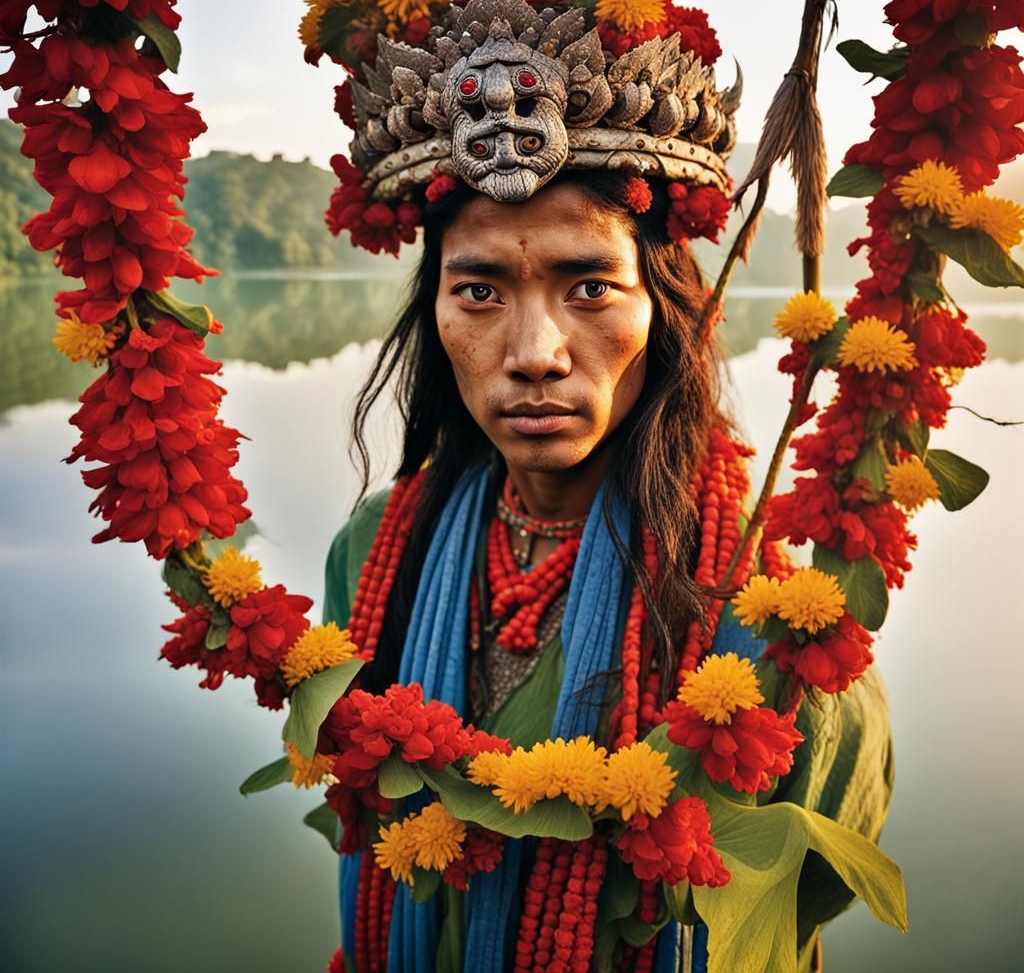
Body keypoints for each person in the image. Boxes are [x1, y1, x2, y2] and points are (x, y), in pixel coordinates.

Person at [320, 170, 893, 973]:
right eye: (480, 291)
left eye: (590, 286)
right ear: (434, 315)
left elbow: (783, 908)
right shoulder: (375, 547)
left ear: (667, 313)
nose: (534, 355)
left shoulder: (773, 615)